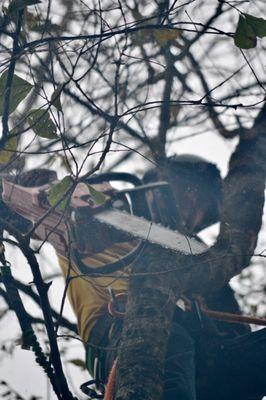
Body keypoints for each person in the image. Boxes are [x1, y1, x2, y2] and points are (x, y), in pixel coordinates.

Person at [57, 154, 262, 400]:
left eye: (201, 207)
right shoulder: (99, 211)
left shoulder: (192, 254)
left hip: (209, 355)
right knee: (172, 344)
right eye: (189, 194)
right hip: (127, 332)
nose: (193, 209)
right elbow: (34, 207)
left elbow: (236, 330)